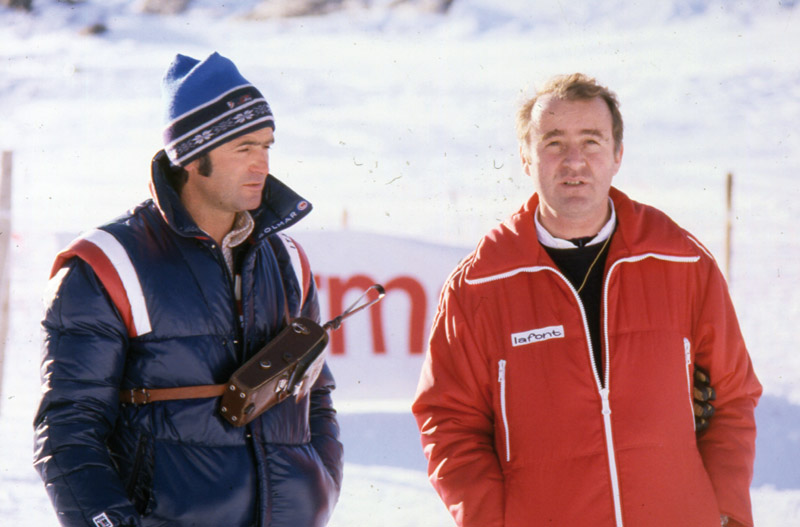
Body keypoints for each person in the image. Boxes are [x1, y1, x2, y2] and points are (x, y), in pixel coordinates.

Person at [411, 73, 761, 527]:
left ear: (618, 155)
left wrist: (726, 512)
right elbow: (448, 422)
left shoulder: (681, 261)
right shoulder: (479, 286)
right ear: (525, 157)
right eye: (553, 142)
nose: (573, 161)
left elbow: (733, 399)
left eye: (591, 141)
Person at [34, 52, 342, 527]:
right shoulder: (108, 264)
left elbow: (314, 396)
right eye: (243, 148)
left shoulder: (289, 261)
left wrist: (319, 486)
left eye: (267, 146)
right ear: (192, 157)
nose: (262, 164)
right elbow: (67, 431)